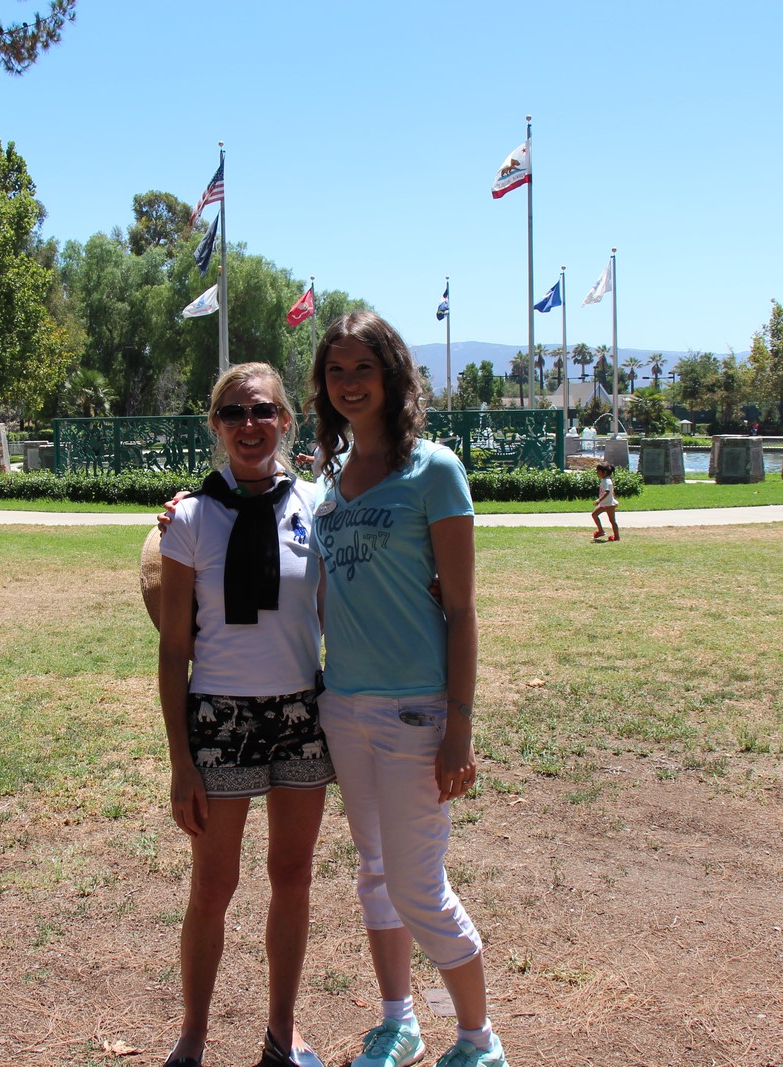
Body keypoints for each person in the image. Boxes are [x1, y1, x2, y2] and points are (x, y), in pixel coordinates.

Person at [308, 311, 506, 1067]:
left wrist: (460, 727)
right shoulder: (329, 483)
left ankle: (478, 1040)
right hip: (343, 705)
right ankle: (399, 1023)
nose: (349, 383)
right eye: (335, 371)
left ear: (392, 376)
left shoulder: (435, 471)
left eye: (364, 367)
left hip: (416, 711)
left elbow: (462, 609)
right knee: (375, 873)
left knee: (419, 885)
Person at [156, 362, 331, 1067]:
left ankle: (281, 1033)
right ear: (216, 425)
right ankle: (193, 1035)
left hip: (300, 714)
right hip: (219, 717)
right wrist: (180, 762)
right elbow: (174, 650)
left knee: (292, 877)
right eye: (233, 413)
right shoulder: (190, 519)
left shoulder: (318, 507)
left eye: (262, 411)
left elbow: (338, 613)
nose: (249, 424)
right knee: (213, 885)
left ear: (286, 420)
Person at [591, 461, 619, 542]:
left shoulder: (607, 481)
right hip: (604, 503)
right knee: (594, 514)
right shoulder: (605, 480)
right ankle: (601, 531)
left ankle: (617, 537)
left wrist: (599, 500)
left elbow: (607, 492)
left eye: (598, 471)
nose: (597, 473)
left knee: (612, 521)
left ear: (605, 472)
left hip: (609, 504)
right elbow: (612, 491)